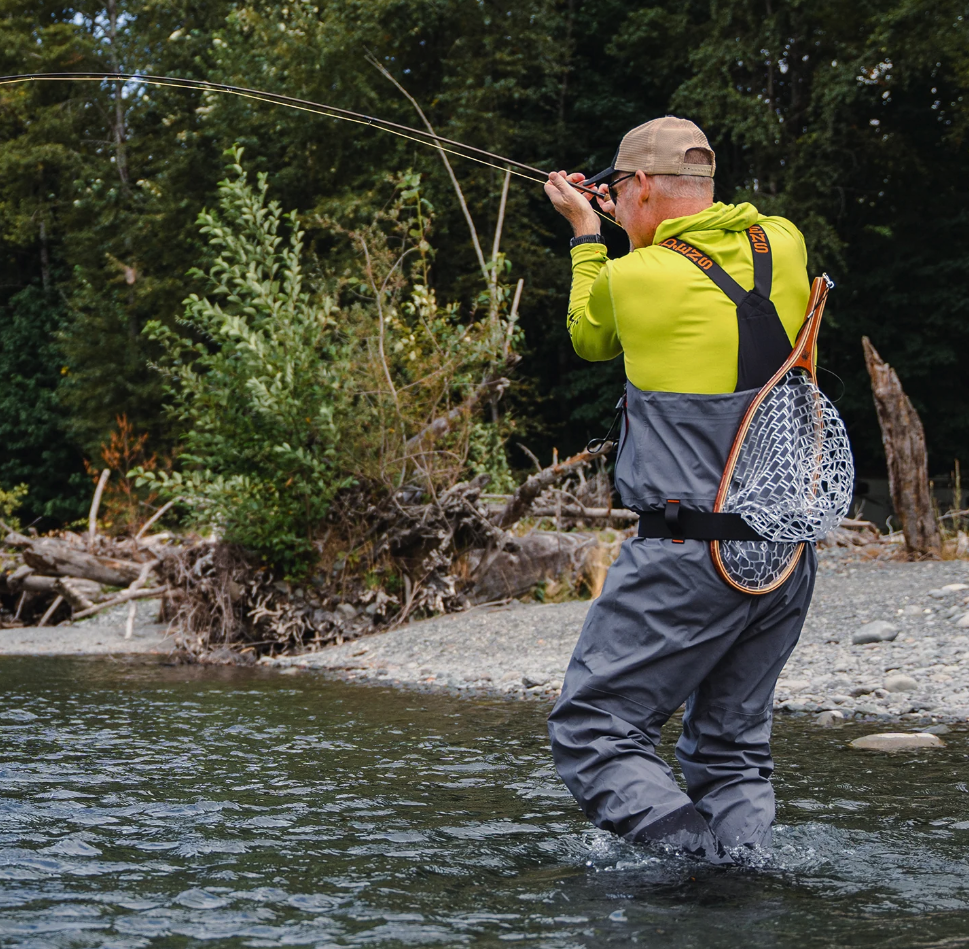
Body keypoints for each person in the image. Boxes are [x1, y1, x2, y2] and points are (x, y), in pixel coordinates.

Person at [543, 116, 816, 864]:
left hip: (687, 551)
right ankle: (739, 882)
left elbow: (589, 335)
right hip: (784, 553)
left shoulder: (634, 275)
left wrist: (587, 232)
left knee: (592, 731)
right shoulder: (784, 242)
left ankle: (696, 869)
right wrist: (638, 220)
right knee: (729, 750)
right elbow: (704, 258)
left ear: (635, 187)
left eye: (622, 190)